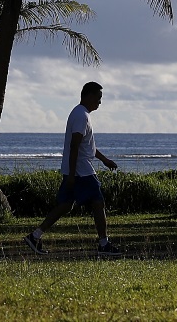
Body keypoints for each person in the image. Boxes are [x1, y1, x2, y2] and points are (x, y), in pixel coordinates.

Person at [24, 81, 123, 257]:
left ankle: (35, 236)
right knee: (98, 202)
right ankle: (103, 244)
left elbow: (87, 146)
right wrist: (71, 174)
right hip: (81, 170)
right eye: (98, 98)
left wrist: (105, 160)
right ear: (89, 95)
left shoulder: (82, 114)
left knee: (65, 205)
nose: (99, 102)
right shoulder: (81, 115)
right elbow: (74, 145)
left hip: (77, 169)